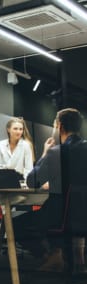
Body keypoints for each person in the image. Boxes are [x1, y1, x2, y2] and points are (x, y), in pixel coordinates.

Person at [13, 108, 87, 270]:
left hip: (62, 214)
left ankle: (53, 254)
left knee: (16, 224)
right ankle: (67, 255)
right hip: (82, 213)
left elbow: (32, 181)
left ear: (59, 126)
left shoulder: (56, 153)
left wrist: (45, 153)